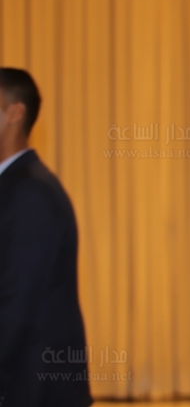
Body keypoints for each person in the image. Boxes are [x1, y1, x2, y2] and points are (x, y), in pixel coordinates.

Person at [0, 68, 92, 407]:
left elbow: (14, 303)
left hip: (31, 389)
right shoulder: (16, 185)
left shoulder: (30, 192)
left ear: (15, 112)